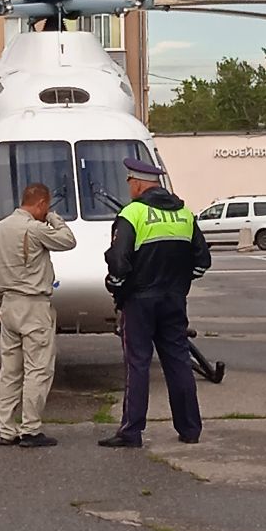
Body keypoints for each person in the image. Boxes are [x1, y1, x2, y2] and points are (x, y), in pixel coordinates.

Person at [100, 158, 211, 449]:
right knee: (178, 362)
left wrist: (117, 289)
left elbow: (119, 262)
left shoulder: (132, 213)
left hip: (139, 302)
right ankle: (190, 429)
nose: (128, 187)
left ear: (137, 182)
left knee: (138, 364)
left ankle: (131, 431)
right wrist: (180, 284)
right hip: (174, 300)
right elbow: (202, 262)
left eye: (129, 182)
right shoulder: (184, 214)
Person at [0, 183, 77, 449]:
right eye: (45, 207)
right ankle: (31, 429)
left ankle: (6, 429)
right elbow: (68, 240)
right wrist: (53, 218)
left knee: (10, 371)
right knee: (38, 369)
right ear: (41, 203)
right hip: (34, 306)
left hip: (8, 305)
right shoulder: (35, 229)